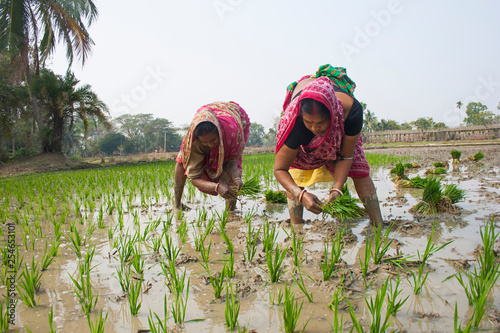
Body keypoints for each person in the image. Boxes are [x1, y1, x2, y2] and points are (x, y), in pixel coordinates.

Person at [273, 64, 383, 227]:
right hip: (302, 108)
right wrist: (301, 195)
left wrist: (337, 189)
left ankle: (378, 224)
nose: (315, 128)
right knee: (296, 172)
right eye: (309, 122)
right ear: (302, 116)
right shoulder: (294, 122)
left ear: (334, 113)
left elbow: (346, 156)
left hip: (339, 121)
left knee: (359, 168)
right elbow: (280, 169)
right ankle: (297, 228)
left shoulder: (350, 112)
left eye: (321, 123)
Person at [174, 101, 250, 211]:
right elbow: (194, 177)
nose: (210, 144)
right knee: (182, 161)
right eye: (205, 142)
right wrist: (216, 187)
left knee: (231, 179)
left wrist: (237, 178)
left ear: (219, 131)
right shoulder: (193, 142)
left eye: (213, 140)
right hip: (207, 114)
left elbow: (232, 160)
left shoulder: (232, 134)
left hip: (234, 117)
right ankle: (176, 206)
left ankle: (231, 212)